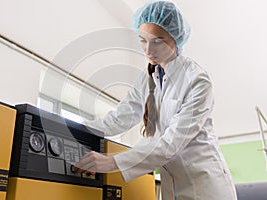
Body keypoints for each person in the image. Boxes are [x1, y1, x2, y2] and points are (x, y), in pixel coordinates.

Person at [73, 1, 238, 199]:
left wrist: (111, 163)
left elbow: (171, 142)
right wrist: (76, 128)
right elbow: (119, 118)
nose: (148, 50)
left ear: (176, 39)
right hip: (172, 188)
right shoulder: (147, 78)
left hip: (205, 187)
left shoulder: (197, 80)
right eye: (143, 40)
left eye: (157, 41)